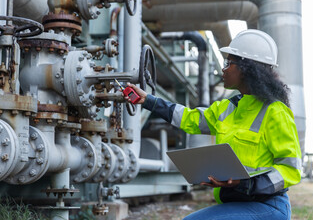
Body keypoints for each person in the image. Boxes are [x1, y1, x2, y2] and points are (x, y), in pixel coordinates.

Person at [124, 29, 301, 220]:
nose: (223, 69)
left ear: (248, 68)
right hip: (235, 204)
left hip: (267, 206)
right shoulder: (227, 108)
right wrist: (149, 101)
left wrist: (246, 184)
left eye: (228, 63)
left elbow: (291, 169)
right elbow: (188, 118)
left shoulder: (275, 111)